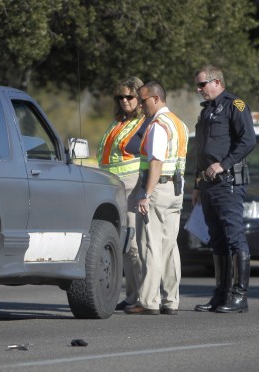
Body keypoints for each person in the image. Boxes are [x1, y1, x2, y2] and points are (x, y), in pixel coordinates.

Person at [192, 64, 256, 313]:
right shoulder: (207, 110)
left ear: (216, 82)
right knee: (216, 239)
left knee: (234, 237)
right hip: (208, 184)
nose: (199, 89)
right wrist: (197, 183)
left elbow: (248, 140)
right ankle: (221, 294)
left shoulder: (234, 105)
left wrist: (224, 164)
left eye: (202, 84)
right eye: (197, 85)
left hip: (228, 181)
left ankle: (239, 296)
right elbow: (201, 151)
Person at [124, 82, 188, 315]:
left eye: (143, 101)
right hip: (176, 191)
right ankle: (171, 300)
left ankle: (149, 301)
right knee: (170, 247)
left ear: (156, 99)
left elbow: (156, 162)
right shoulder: (178, 124)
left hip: (159, 190)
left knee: (150, 245)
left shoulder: (159, 125)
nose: (140, 106)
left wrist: (146, 195)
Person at [96, 76, 148, 311]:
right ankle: (131, 295)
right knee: (123, 243)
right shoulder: (117, 122)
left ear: (140, 98)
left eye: (130, 96)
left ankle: (141, 296)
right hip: (111, 186)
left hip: (131, 187)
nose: (125, 101)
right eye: (121, 97)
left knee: (133, 244)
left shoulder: (145, 123)